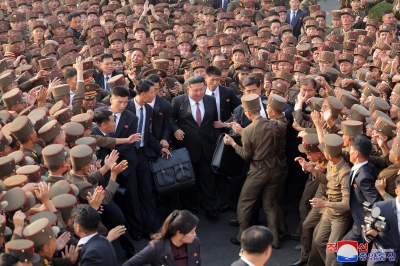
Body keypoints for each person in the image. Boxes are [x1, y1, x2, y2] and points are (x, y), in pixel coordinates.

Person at [224, 94, 284, 249]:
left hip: (257, 172)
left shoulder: (248, 131)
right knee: (269, 205)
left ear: (248, 113)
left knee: (244, 204)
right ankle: (275, 239)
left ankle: (242, 237)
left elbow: (246, 155)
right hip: (275, 169)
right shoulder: (274, 124)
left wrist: (232, 143)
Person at [169, 75, 221, 219]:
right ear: (187, 90)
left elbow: (214, 122)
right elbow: (170, 118)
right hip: (186, 148)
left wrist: (216, 139)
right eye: (195, 91)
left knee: (208, 178)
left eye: (202, 90)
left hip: (207, 145)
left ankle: (212, 208)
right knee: (188, 180)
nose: (199, 93)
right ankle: (190, 208)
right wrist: (175, 129)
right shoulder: (178, 101)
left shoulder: (210, 100)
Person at [122, 210, 201, 266]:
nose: (195, 234)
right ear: (179, 234)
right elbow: (129, 264)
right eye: (192, 232)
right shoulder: (156, 247)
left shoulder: (195, 242)